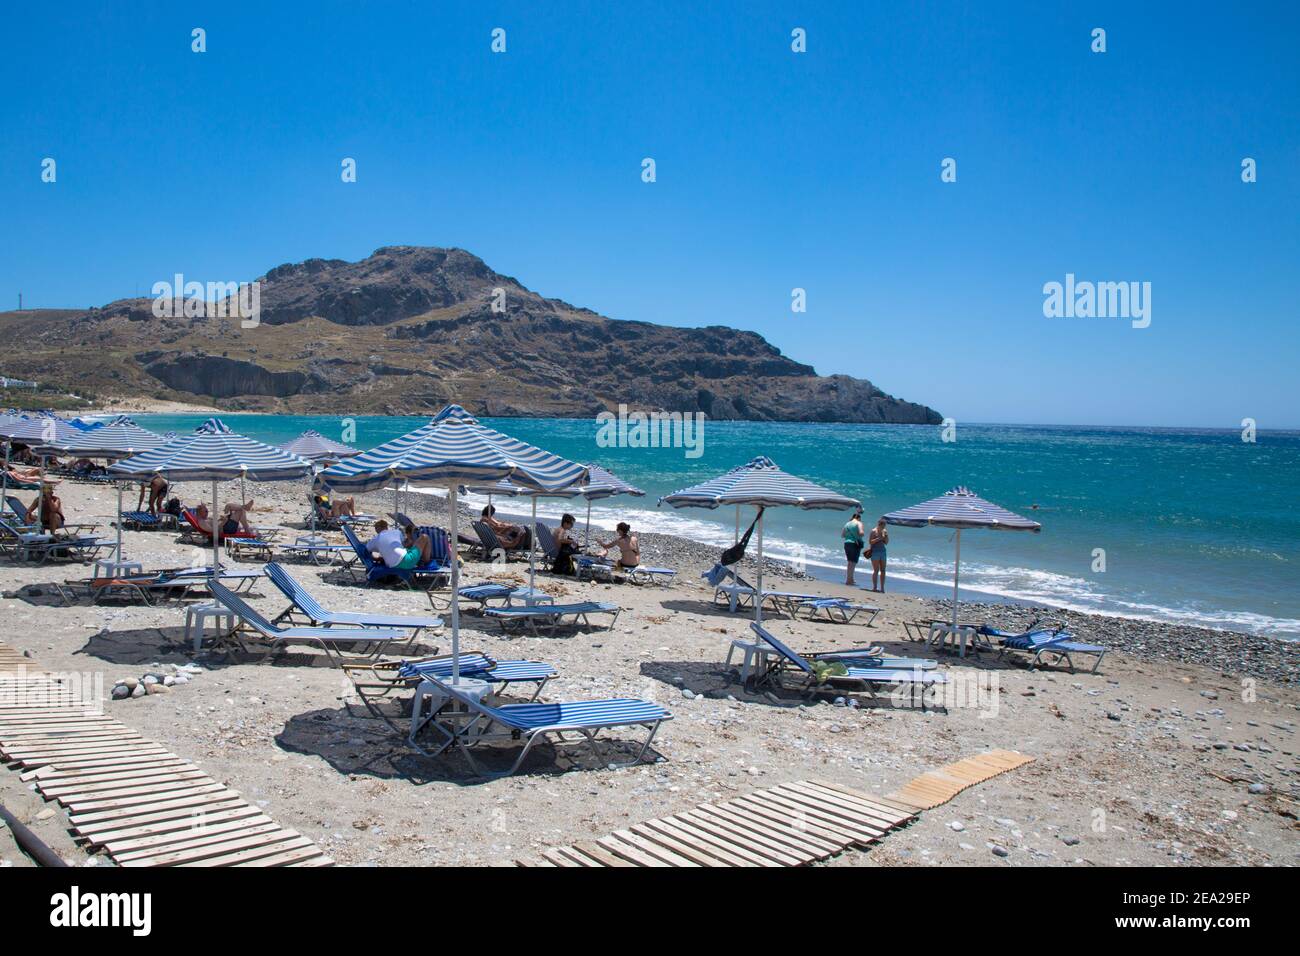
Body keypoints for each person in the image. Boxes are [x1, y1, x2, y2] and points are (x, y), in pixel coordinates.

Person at [842, 508, 865, 585]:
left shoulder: (847, 524)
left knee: (849, 562)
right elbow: (861, 533)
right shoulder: (859, 523)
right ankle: (849, 580)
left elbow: (843, 535)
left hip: (847, 543)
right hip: (855, 544)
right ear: (858, 518)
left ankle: (850, 579)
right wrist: (858, 534)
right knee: (853, 562)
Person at [868, 517, 889, 593]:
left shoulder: (885, 531)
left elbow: (886, 542)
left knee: (883, 570)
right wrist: (879, 538)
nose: (884, 527)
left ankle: (882, 588)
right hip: (875, 552)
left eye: (884, 526)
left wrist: (885, 537)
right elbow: (870, 542)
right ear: (879, 525)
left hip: (883, 551)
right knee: (876, 570)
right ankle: (874, 587)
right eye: (883, 525)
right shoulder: (873, 531)